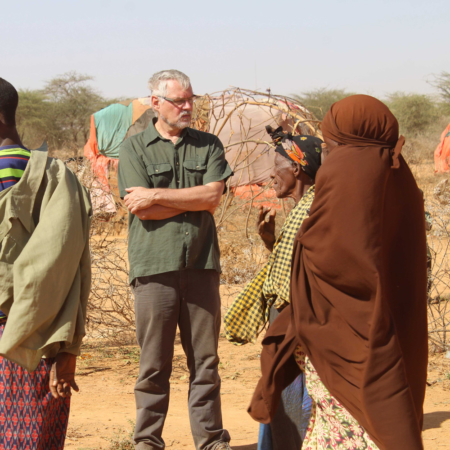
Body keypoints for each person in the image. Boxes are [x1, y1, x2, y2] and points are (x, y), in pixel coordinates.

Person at [248, 95, 428, 450]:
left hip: (344, 361)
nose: (328, 158)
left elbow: (333, 266)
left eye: (331, 147)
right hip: (395, 355)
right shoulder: (400, 184)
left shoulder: (345, 185)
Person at [118, 70, 233, 450]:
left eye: (190, 99)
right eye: (178, 101)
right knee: (153, 364)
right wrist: (182, 200)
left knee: (206, 362)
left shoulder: (209, 145)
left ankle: (211, 441)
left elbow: (213, 198)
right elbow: (143, 213)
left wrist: (155, 196)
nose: (187, 107)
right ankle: (147, 442)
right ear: (156, 103)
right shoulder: (134, 148)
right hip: (154, 268)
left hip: (201, 266)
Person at [0, 77, 92, 449]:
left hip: (22, 338)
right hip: (38, 339)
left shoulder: (50, 179)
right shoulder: (59, 178)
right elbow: (73, 271)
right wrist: (68, 349)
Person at [225, 128, 323, 449]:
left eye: (277, 164)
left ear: (296, 169)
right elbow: (294, 269)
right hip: (288, 328)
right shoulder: (302, 209)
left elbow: (299, 281)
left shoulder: (311, 210)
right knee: (277, 403)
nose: (271, 173)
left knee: (292, 407)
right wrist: (272, 242)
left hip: (297, 334)